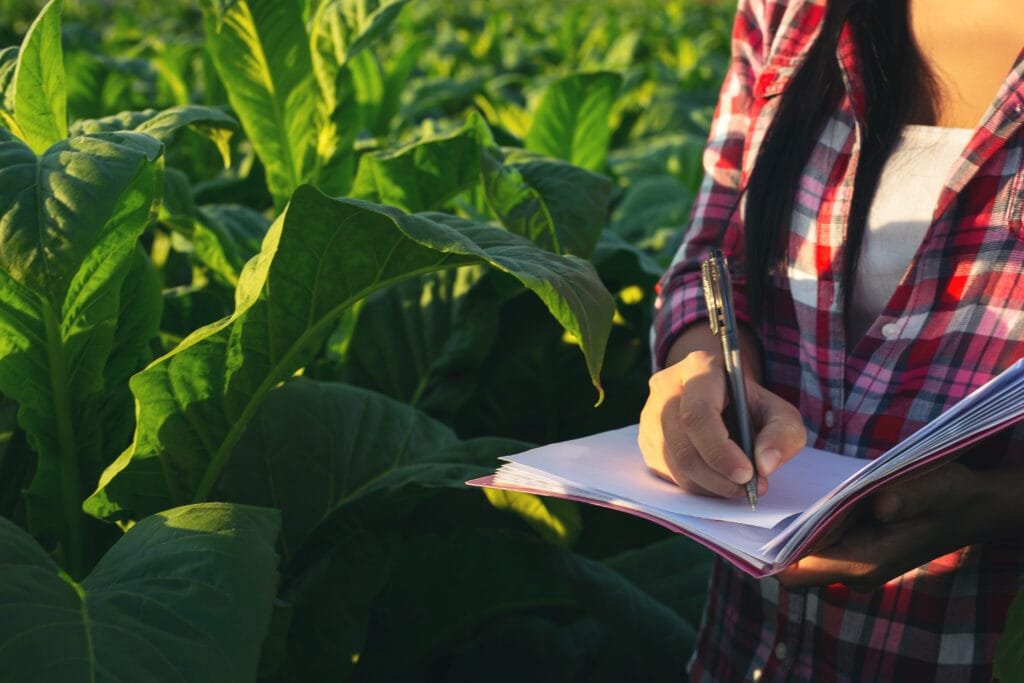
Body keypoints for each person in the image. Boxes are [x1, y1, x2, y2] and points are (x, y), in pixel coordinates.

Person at [638, 0, 1024, 680]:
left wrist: (999, 504)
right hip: (745, 644)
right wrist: (702, 365)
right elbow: (714, 252)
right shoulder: (789, 12)